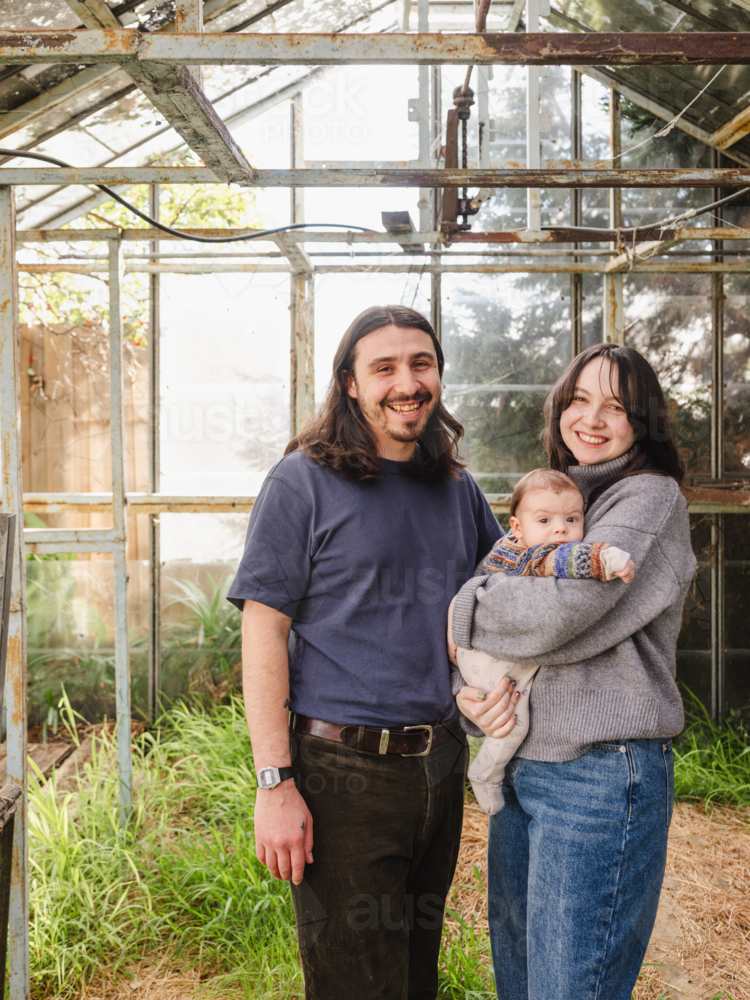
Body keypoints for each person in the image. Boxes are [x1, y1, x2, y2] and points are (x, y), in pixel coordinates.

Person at [227, 305, 507, 1000]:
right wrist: (275, 784)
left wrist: (489, 685)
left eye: (421, 364)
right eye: (383, 368)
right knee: (356, 984)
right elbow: (264, 630)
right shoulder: (303, 481)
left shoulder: (456, 487)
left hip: (440, 766)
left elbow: (497, 600)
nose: (405, 382)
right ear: (350, 384)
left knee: (416, 977)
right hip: (341, 772)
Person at [448, 343, 696, 1000]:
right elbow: (504, 624)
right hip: (523, 767)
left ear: (643, 423)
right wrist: (471, 694)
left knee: (567, 990)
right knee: (523, 985)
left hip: (600, 776)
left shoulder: (648, 499)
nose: (592, 418)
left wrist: (464, 606)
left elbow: (561, 613)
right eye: (580, 399)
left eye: (616, 406)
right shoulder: (556, 496)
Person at [453, 467, 633, 815]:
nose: (560, 529)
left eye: (571, 518)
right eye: (546, 520)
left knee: (509, 715)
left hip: (487, 651)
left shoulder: (509, 547)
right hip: (491, 657)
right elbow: (568, 560)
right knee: (513, 722)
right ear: (518, 528)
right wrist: (609, 559)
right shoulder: (534, 554)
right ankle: (485, 773)